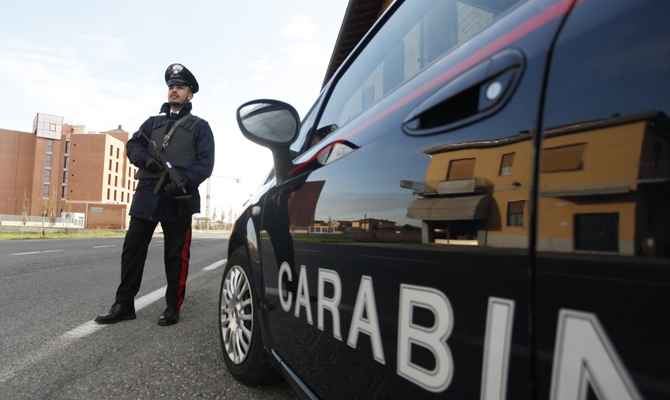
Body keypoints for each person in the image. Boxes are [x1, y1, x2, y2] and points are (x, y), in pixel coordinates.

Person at [95, 63, 215, 326]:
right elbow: (133, 145)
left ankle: (173, 306)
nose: (174, 91)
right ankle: (123, 305)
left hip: (178, 198)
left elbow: (205, 165)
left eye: (180, 87)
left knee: (176, 255)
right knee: (132, 250)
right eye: (171, 86)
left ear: (190, 94)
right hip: (148, 194)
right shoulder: (152, 123)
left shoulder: (200, 127)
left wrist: (182, 180)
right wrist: (146, 161)